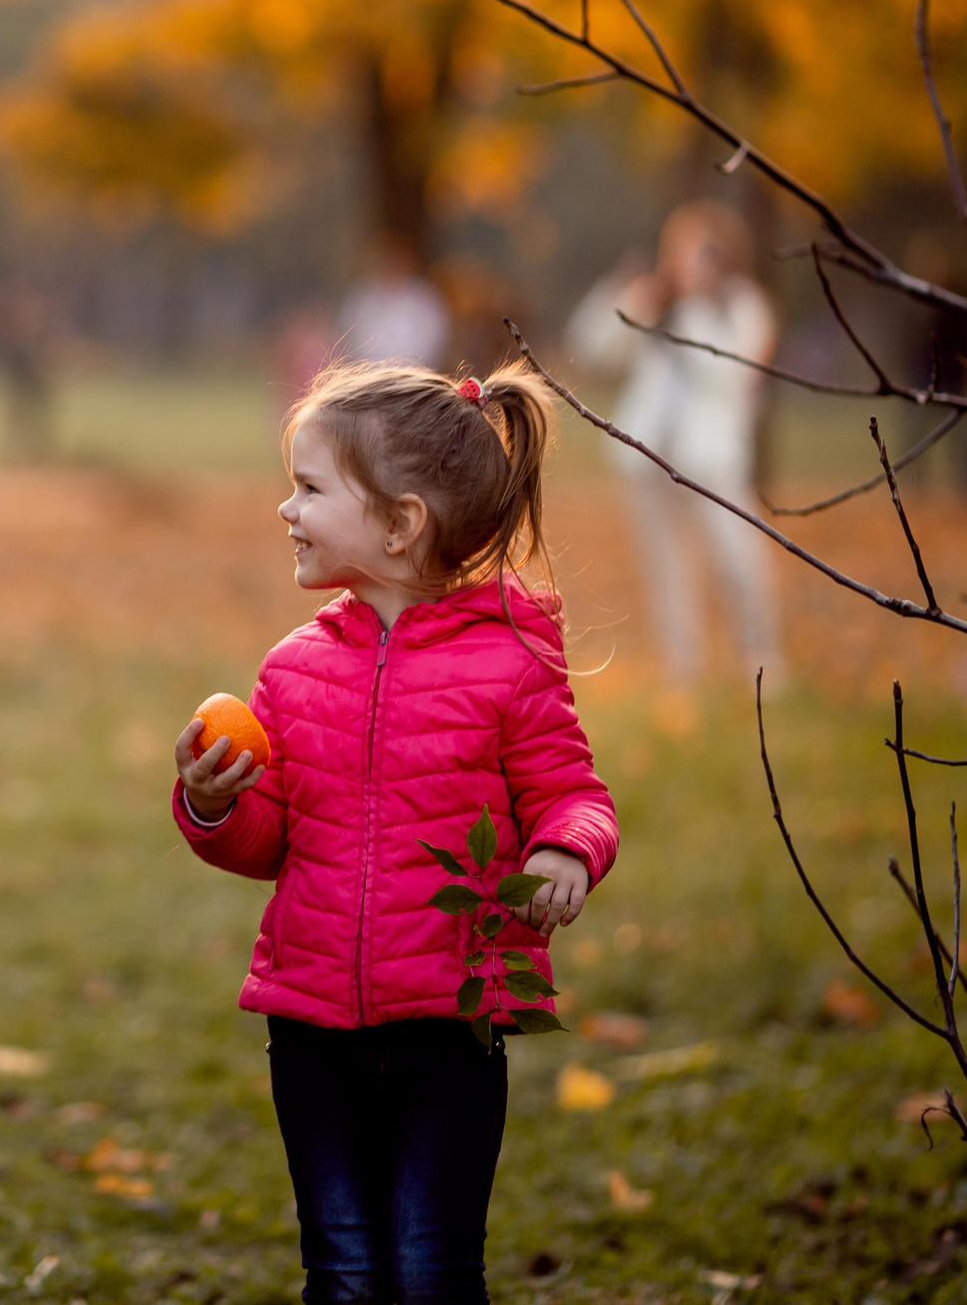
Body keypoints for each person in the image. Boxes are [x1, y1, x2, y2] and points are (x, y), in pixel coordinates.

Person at [172, 361, 618, 1305]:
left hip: (451, 1023)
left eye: (309, 488)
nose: (284, 509)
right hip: (310, 1027)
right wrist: (214, 804)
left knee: (430, 1269)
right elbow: (270, 842)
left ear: (399, 522)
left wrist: (562, 850)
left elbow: (574, 792)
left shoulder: (511, 659)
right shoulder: (291, 670)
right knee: (341, 1271)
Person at [564, 201, 782, 680]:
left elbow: (732, 376)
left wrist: (696, 307)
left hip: (714, 460)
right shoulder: (655, 302)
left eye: (697, 249)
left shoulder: (742, 305)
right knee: (668, 569)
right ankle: (682, 669)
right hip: (649, 459)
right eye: (677, 249)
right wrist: (626, 294)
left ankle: (763, 663)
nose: (684, 260)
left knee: (738, 561)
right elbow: (591, 347)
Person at [337, 237, 450, 370]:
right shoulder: (360, 299)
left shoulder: (423, 299)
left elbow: (435, 339)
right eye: (384, 261)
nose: (389, 266)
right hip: (368, 377)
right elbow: (347, 339)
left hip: (413, 375)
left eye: (395, 261)